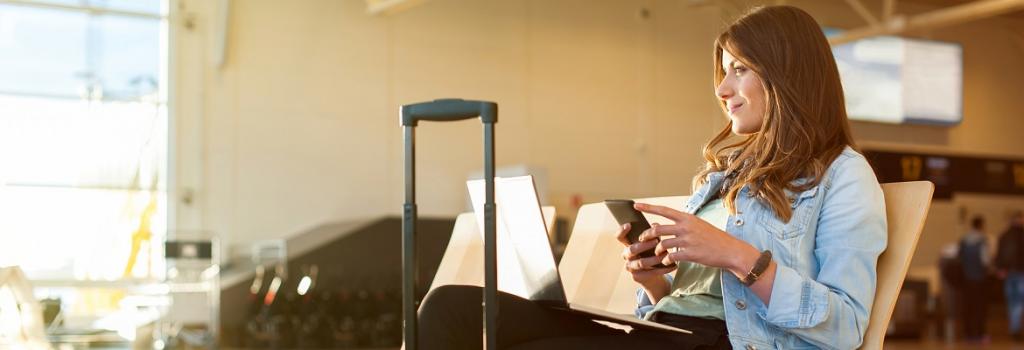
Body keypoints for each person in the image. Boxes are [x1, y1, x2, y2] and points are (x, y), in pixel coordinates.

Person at [416, 5, 887, 350]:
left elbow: (845, 327)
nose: (722, 90)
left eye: (739, 70)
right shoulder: (729, 173)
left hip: (728, 344)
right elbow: (689, 300)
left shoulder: (844, 176)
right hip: (664, 332)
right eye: (724, 72)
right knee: (450, 308)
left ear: (788, 75)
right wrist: (655, 282)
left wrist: (738, 257)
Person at [957, 216, 990, 343]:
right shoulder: (982, 241)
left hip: (966, 279)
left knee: (968, 306)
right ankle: (980, 334)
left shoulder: (964, 240)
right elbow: (985, 260)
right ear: (981, 225)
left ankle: (968, 333)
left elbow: (959, 258)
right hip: (979, 279)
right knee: (980, 307)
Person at [997, 211, 1024, 340]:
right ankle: (1015, 329)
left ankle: (1014, 328)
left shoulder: (1004, 235)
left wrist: (1001, 268)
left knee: (1012, 302)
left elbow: (1000, 254)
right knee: (1018, 302)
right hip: (1020, 272)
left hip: (1008, 273)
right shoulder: (1021, 235)